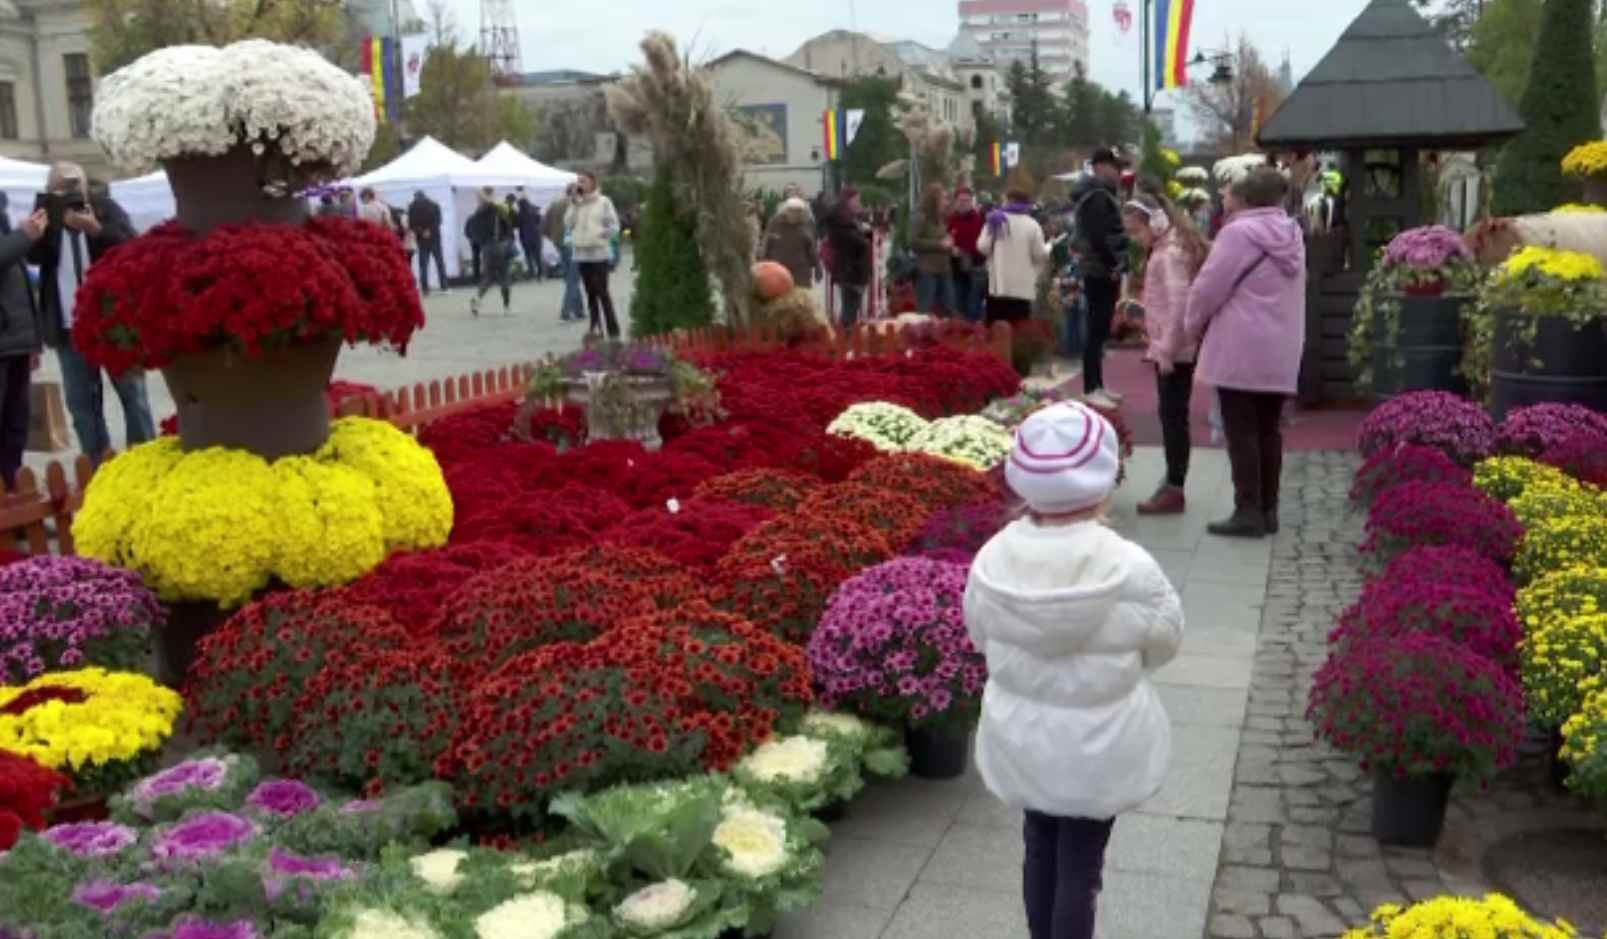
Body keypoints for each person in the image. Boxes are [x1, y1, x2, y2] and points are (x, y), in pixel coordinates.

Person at [966, 400, 1183, 939]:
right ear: (1105, 479)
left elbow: (979, 636)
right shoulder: (1130, 566)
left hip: (1023, 735)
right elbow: (1165, 642)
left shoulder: (992, 560)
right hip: (1099, 741)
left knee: (1038, 844)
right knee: (1082, 865)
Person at [1175, 167, 1307, 538]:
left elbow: (1208, 287)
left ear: (1246, 198)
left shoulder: (1237, 233)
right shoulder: (1293, 233)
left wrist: (1191, 324)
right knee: (1269, 429)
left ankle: (1247, 510)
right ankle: (1268, 509)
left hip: (1240, 343)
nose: (1223, 196)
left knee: (1241, 430)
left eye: (1230, 191)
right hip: (1281, 345)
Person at [29, 162, 154, 464]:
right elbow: (34, 257)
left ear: (85, 184)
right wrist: (42, 227)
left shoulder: (104, 208)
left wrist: (96, 231)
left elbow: (133, 245)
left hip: (112, 324)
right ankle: (97, 466)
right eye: (61, 185)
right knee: (82, 403)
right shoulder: (46, 214)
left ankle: (144, 461)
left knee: (133, 396)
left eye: (74, 183)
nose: (70, 190)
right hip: (69, 326)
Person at [1123, 192, 1210, 516]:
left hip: (1174, 350)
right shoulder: (1167, 247)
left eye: (1136, 230)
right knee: (1172, 417)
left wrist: (1166, 349)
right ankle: (1172, 482)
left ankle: (1174, 486)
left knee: (1173, 419)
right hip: (1172, 346)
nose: (1135, 237)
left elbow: (1180, 303)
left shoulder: (1168, 253)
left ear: (1155, 222)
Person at [1071, 148, 1130, 410]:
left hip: (1100, 268)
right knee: (1096, 329)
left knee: (1100, 329)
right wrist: (1113, 264)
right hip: (1099, 269)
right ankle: (1091, 387)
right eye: (1113, 167)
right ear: (1098, 167)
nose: (1118, 173)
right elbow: (1098, 236)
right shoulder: (1096, 196)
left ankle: (1097, 384)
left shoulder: (1100, 194)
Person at [0, 198, 46, 489]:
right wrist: (23, 236)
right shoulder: (13, 235)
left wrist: (33, 342)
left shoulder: (4, 221)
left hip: (15, 343)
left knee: (15, 427)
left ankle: (13, 500)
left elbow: (22, 287)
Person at [976, 184, 1048, 324]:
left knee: (996, 330)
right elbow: (1040, 254)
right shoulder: (1033, 225)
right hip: (1023, 287)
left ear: (1008, 200)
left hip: (998, 285)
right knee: (1019, 330)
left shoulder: (995, 220)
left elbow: (982, 247)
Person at [565, 170, 621, 338]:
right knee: (589, 293)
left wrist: (600, 235)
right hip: (581, 253)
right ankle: (595, 326)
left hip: (599, 253)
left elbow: (614, 226)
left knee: (602, 292)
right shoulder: (577, 203)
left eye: (584, 181)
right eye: (578, 181)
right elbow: (568, 222)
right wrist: (574, 203)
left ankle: (613, 329)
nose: (580, 184)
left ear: (593, 183)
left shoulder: (604, 202)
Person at [824, 188, 871, 328]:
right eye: (857, 200)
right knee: (850, 307)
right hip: (849, 268)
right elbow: (855, 241)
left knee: (852, 306)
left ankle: (847, 337)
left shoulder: (848, 219)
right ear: (848, 200)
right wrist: (864, 238)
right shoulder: (842, 221)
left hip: (852, 268)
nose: (859, 203)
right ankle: (846, 339)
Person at [911, 183, 956, 316]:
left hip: (944, 268)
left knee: (949, 307)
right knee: (925, 309)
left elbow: (941, 237)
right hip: (927, 270)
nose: (946, 202)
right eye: (943, 198)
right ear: (934, 199)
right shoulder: (920, 217)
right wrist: (940, 244)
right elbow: (914, 242)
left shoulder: (941, 217)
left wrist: (950, 246)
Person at [468, 191, 515, 317]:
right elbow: (508, 227)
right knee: (504, 277)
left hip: (486, 248)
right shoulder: (497, 211)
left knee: (488, 277)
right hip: (499, 246)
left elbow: (470, 232)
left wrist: (481, 242)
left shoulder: (476, 215)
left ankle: (477, 298)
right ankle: (507, 307)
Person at [762, 192, 818, 289]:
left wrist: (817, 266)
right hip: (778, 271)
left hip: (800, 273)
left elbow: (811, 248)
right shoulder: (775, 223)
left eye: (798, 211)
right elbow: (767, 243)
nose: (794, 214)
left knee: (798, 300)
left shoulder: (806, 224)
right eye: (791, 211)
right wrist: (763, 262)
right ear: (786, 210)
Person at [947, 186, 986, 321]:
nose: (963, 203)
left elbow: (984, 245)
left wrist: (967, 252)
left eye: (967, 200)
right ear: (955, 202)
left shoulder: (979, 219)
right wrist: (951, 249)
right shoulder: (951, 219)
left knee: (973, 306)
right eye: (961, 200)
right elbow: (946, 239)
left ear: (972, 202)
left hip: (975, 268)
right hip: (955, 269)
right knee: (957, 305)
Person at [546, 184, 584, 323]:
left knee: (570, 277)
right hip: (574, 245)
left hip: (560, 244)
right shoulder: (578, 205)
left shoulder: (555, 204)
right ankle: (566, 312)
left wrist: (554, 239)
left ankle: (579, 310)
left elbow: (544, 226)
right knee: (573, 280)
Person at [408, 190, 448, 296]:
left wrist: (422, 231)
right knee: (439, 263)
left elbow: (411, 224)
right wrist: (429, 230)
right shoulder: (434, 205)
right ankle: (444, 287)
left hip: (422, 239)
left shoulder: (412, 207)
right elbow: (438, 221)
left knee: (423, 265)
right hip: (435, 237)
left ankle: (425, 289)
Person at [464, 186, 498, 283]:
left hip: (476, 241)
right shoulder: (478, 218)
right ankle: (487, 276)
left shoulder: (471, 218)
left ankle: (477, 276)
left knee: (477, 259)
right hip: (482, 241)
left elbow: (466, 231)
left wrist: (471, 238)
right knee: (486, 259)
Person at [515, 188, 544, 281]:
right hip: (537, 236)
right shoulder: (535, 211)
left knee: (528, 256)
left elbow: (516, 224)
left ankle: (531, 273)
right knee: (538, 256)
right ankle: (540, 274)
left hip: (525, 238)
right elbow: (540, 221)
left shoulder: (519, 214)